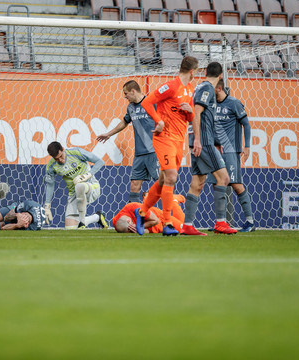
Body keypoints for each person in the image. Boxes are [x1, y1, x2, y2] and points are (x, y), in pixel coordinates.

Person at [134, 56, 199, 236]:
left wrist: (190, 111)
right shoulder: (171, 86)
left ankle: (141, 212)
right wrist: (158, 121)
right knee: (171, 176)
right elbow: (147, 102)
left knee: (164, 180)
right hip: (164, 138)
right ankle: (167, 223)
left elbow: (190, 119)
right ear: (193, 71)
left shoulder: (190, 90)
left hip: (179, 141)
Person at [181, 62, 237, 236]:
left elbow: (200, 114)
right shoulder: (207, 89)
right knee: (224, 177)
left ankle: (187, 225)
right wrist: (198, 139)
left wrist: (215, 140)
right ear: (221, 76)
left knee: (197, 184)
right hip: (203, 142)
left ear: (206, 72)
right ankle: (220, 222)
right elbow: (196, 112)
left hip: (201, 140)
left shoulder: (198, 87)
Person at [96, 80, 159, 203]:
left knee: (162, 183)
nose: (124, 96)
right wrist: (109, 134)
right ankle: (134, 217)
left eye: (126, 93)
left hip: (154, 151)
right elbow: (125, 122)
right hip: (139, 154)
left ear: (133, 91)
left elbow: (165, 120)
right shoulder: (130, 107)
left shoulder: (152, 102)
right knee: (134, 185)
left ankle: (171, 217)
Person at [206, 79, 255, 232]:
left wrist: (247, 146)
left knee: (236, 185)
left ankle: (250, 221)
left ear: (219, 88)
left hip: (230, 152)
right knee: (217, 186)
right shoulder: (211, 105)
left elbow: (246, 124)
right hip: (215, 152)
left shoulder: (234, 103)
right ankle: (221, 223)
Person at [44, 141, 108, 230]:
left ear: (63, 149)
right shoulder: (51, 166)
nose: (61, 160)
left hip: (92, 187)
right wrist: (47, 205)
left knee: (79, 186)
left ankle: (82, 223)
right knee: (71, 229)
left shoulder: (76, 152)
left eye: (61, 156)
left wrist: (87, 175)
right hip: (74, 195)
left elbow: (100, 161)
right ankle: (97, 217)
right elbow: (50, 185)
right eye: (57, 159)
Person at [113, 195, 186, 234]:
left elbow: (156, 220)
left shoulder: (135, 208)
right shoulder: (117, 222)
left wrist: (138, 226)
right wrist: (139, 230)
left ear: (128, 221)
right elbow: (146, 231)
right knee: (181, 223)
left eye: (130, 230)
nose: (132, 231)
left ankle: (174, 200)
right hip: (153, 228)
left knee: (184, 229)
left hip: (160, 219)